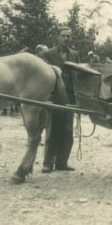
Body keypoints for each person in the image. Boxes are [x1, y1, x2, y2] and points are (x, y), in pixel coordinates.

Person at [40, 26, 80, 172]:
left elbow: (77, 76)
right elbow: (42, 78)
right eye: (63, 36)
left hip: (69, 97)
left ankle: (62, 162)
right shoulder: (47, 55)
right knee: (52, 129)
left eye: (68, 36)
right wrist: (47, 97)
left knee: (67, 131)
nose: (66, 39)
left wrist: (78, 98)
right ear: (57, 37)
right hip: (53, 96)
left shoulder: (75, 54)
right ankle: (48, 163)